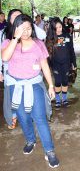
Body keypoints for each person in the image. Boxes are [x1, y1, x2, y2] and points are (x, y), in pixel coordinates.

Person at [1, 14, 59, 168]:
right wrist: (15, 38)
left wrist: (51, 86)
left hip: (34, 85)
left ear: (32, 28)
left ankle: (50, 150)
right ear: (15, 28)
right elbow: (5, 58)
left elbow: (44, 65)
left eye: (28, 28)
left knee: (40, 118)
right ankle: (30, 140)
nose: (25, 32)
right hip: (16, 86)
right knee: (23, 117)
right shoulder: (8, 42)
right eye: (22, 28)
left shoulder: (38, 44)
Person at [46, 17, 76, 108]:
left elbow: (71, 50)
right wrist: (48, 65)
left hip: (66, 63)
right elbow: (47, 54)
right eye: (57, 28)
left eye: (60, 27)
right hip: (55, 64)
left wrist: (74, 63)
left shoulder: (67, 36)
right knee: (58, 82)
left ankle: (64, 99)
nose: (59, 29)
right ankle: (58, 100)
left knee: (65, 81)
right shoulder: (50, 38)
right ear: (53, 28)